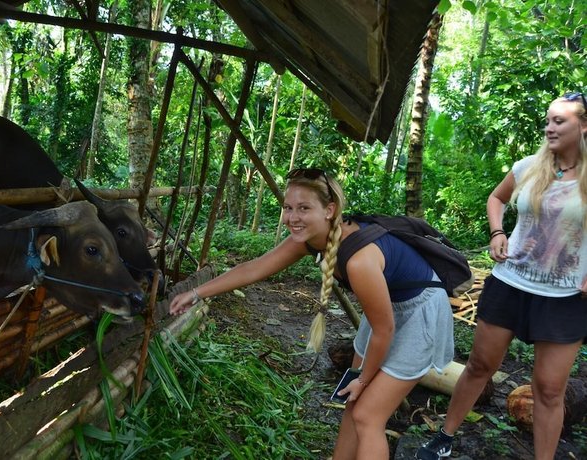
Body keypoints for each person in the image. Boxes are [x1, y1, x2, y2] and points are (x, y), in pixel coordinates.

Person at [169, 168, 455, 459]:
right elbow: (254, 268)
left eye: (304, 208)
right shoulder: (311, 238)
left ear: (329, 210)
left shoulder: (359, 260)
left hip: (420, 314)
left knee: (368, 416)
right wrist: (196, 293)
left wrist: (363, 380)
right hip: (386, 308)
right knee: (352, 402)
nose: (292, 217)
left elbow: (385, 331)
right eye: (288, 207)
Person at [416, 92, 587, 460]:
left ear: (584, 126)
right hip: (510, 283)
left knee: (549, 390)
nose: (549, 127)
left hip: (564, 297)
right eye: (548, 120)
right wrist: (498, 232)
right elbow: (496, 198)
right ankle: (444, 436)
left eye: (559, 121)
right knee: (479, 365)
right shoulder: (528, 167)